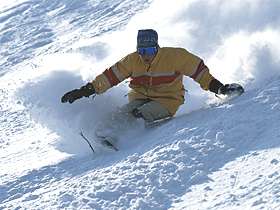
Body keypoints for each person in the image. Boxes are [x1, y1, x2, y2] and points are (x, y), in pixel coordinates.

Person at [61, 29, 244, 148]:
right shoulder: (132, 60)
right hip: (139, 96)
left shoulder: (175, 56)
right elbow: (110, 76)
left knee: (138, 114)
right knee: (121, 113)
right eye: (142, 51)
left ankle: (121, 137)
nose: (145, 56)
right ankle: (105, 137)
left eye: (149, 51)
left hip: (167, 100)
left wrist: (219, 88)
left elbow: (199, 72)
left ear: (157, 47)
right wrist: (85, 90)